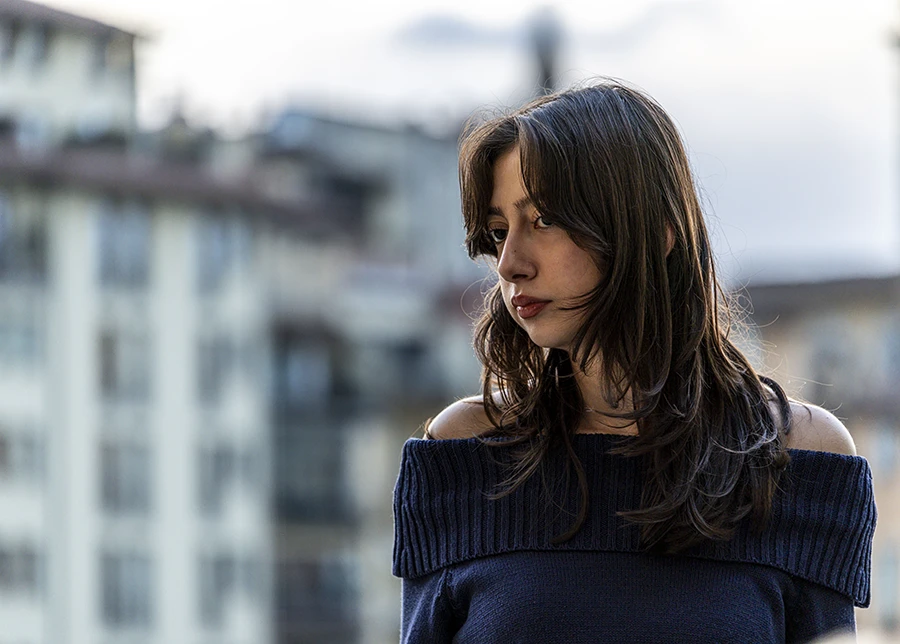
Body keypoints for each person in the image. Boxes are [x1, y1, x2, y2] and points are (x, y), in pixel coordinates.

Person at [391, 79, 875, 643]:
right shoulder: (465, 452)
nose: (510, 263)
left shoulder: (802, 459)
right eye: (499, 232)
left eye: (543, 219)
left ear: (656, 230)